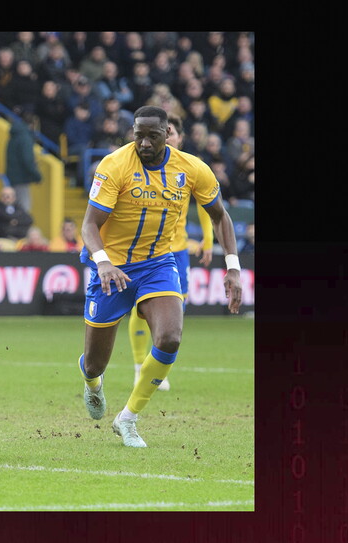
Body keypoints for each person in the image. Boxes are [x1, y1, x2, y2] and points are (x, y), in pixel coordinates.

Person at [76, 105, 243, 448]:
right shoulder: (115, 165)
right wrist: (104, 262)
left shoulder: (192, 168)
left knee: (169, 338)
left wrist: (233, 267)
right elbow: (89, 224)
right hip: (112, 269)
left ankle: (128, 419)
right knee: (94, 363)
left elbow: (220, 216)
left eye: (153, 136)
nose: (145, 143)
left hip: (157, 264)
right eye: (139, 135)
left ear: (168, 134)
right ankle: (92, 384)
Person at [126, 115, 214, 392]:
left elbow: (206, 204)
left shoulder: (188, 168)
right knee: (141, 309)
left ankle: (156, 365)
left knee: (175, 311)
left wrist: (208, 240)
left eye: (172, 132)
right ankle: (141, 365)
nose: (168, 136)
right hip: (147, 251)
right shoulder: (142, 164)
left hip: (177, 250)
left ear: (178, 138)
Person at [5, 112, 43, 213]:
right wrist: (37, 176)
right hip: (22, 179)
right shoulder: (25, 138)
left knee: (14, 209)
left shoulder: (14, 136)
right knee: (24, 210)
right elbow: (27, 160)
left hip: (12, 177)